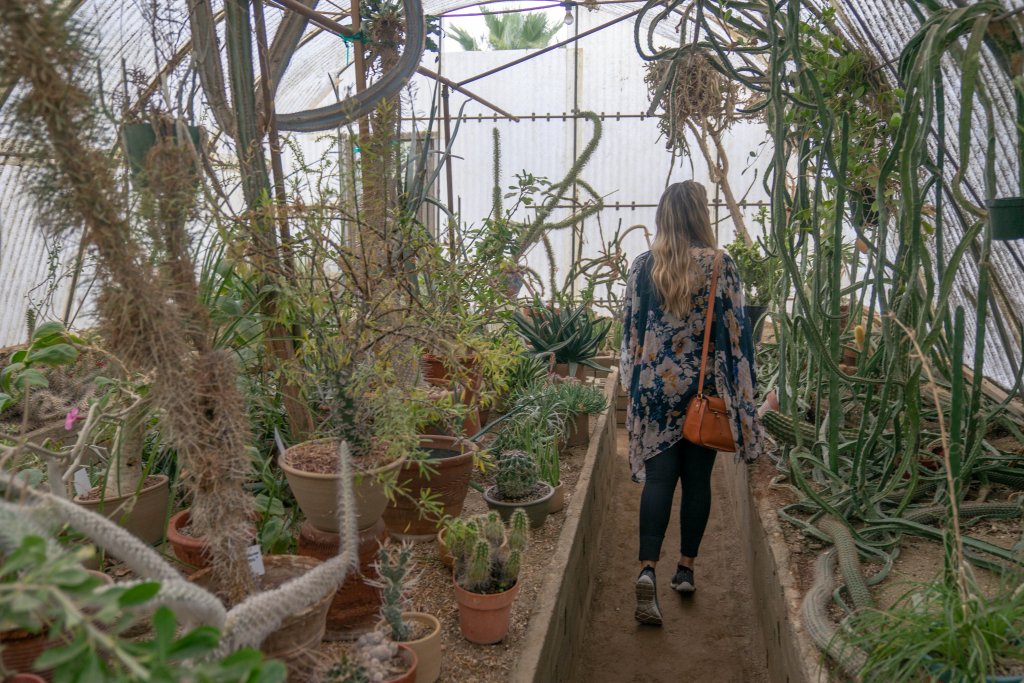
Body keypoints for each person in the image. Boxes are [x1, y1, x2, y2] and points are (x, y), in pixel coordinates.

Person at [619, 180, 764, 626]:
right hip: (705, 391)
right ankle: (685, 570)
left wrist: (634, 385)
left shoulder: (644, 266)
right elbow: (737, 337)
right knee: (697, 480)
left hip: (655, 393)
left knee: (659, 481)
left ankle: (647, 570)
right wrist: (744, 401)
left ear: (664, 214)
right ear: (701, 214)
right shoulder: (722, 265)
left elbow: (629, 333)